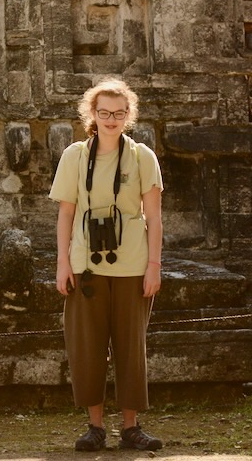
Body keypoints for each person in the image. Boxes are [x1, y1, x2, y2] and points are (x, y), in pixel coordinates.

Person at [49, 77, 164, 452]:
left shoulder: (142, 157)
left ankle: (131, 427)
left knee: (131, 348)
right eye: (104, 113)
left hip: (132, 265)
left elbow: (154, 217)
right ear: (92, 115)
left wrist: (154, 265)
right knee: (88, 348)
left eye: (118, 113)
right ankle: (95, 426)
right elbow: (66, 214)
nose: (111, 120)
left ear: (128, 115)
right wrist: (62, 262)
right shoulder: (74, 156)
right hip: (87, 266)